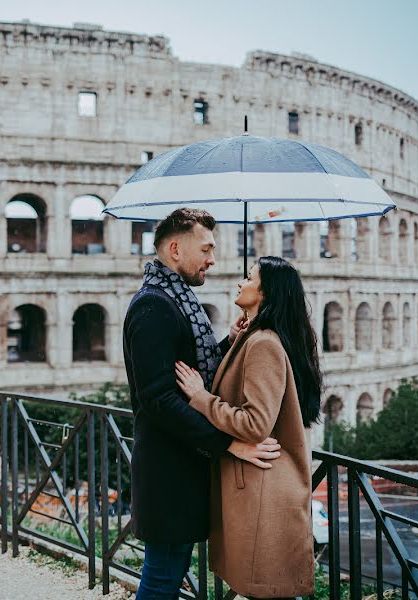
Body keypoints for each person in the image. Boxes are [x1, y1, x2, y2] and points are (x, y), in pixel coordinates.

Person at [123, 208, 282, 600]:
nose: (213, 258)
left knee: (167, 576)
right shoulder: (154, 306)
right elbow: (158, 398)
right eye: (207, 248)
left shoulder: (172, 300)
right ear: (175, 249)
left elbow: (188, 369)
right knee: (162, 580)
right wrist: (230, 443)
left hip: (180, 468)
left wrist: (228, 342)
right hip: (168, 472)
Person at [175, 256, 323, 600]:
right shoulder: (255, 338)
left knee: (266, 590)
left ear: (265, 292)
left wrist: (200, 397)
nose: (241, 282)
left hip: (264, 490)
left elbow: (256, 424)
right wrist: (233, 339)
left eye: (249, 277)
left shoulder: (264, 344)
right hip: (258, 486)